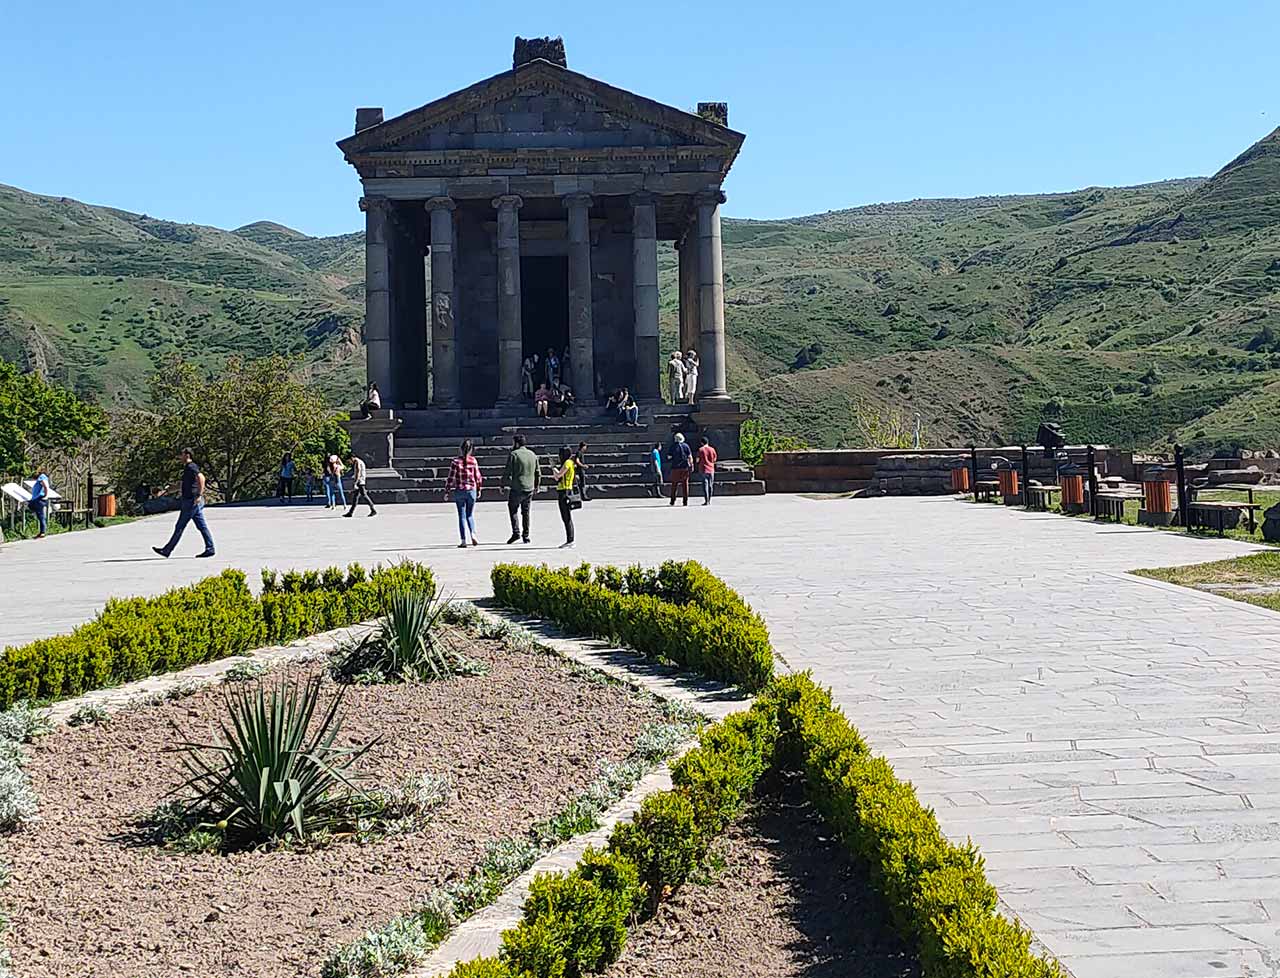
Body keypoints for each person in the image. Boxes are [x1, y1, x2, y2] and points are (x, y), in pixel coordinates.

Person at [152, 448, 215, 558]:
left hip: (191, 501)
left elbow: (201, 478)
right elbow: (182, 485)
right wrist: (166, 491)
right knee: (202, 526)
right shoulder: (187, 469)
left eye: (181, 455)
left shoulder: (191, 467)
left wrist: (199, 495)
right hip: (191, 501)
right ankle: (210, 548)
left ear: (187, 455)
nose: (180, 457)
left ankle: (167, 550)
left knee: (180, 526)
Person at [502, 433, 541, 544]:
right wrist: (537, 485)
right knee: (526, 512)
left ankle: (516, 532)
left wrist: (502, 484)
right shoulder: (533, 454)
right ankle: (526, 535)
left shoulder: (514, 454)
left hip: (517, 488)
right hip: (529, 488)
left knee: (513, 509)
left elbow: (507, 471)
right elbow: (538, 472)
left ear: (517, 443)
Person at [445, 438, 483, 548]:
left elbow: (450, 478)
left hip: (460, 490)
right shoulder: (473, 461)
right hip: (471, 490)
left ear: (461, 449)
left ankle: (463, 540)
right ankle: (473, 533)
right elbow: (478, 477)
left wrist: (447, 490)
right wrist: (479, 489)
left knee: (461, 516)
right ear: (471, 449)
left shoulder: (455, 462)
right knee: (470, 515)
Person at [553, 445, 577, 549]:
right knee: (566, 517)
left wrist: (554, 468)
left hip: (565, 491)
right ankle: (569, 539)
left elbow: (559, 475)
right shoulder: (571, 462)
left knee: (566, 517)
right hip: (565, 489)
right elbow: (557, 478)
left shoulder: (567, 462)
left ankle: (570, 540)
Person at [343, 452, 377, 517]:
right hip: (361, 481)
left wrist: (355, 482)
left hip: (360, 481)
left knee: (364, 495)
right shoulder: (359, 461)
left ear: (352, 458)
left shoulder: (357, 462)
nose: (349, 462)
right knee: (355, 497)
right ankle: (350, 512)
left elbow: (358, 472)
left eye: (349, 461)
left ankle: (373, 509)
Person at [668, 431, 693, 507]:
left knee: (674, 485)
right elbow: (690, 457)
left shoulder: (672, 446)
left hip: (675, 468)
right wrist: (691, 465)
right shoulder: (686, 446)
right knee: (685, 485)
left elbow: (669, 457)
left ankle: (672, 500)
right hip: (684, 468)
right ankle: (685, 501)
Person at [27, 470, 51, 539]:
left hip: (39, 499)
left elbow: (45, 486)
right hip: (37, 499)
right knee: (40, 515)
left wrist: (45, 495)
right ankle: (41, 532)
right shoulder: (42, 478)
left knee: (41, 516)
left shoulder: (42, 477)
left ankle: (42, 532)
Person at [695, 435, 718, 505]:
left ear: (702, 443)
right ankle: (710, 499)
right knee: (710, 485)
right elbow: (714, 459)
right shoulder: (712, 449)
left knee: (705, 485)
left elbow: (697, 460)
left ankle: (706, 500)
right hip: (711, 469)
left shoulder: (700, 450)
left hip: (703, 469)